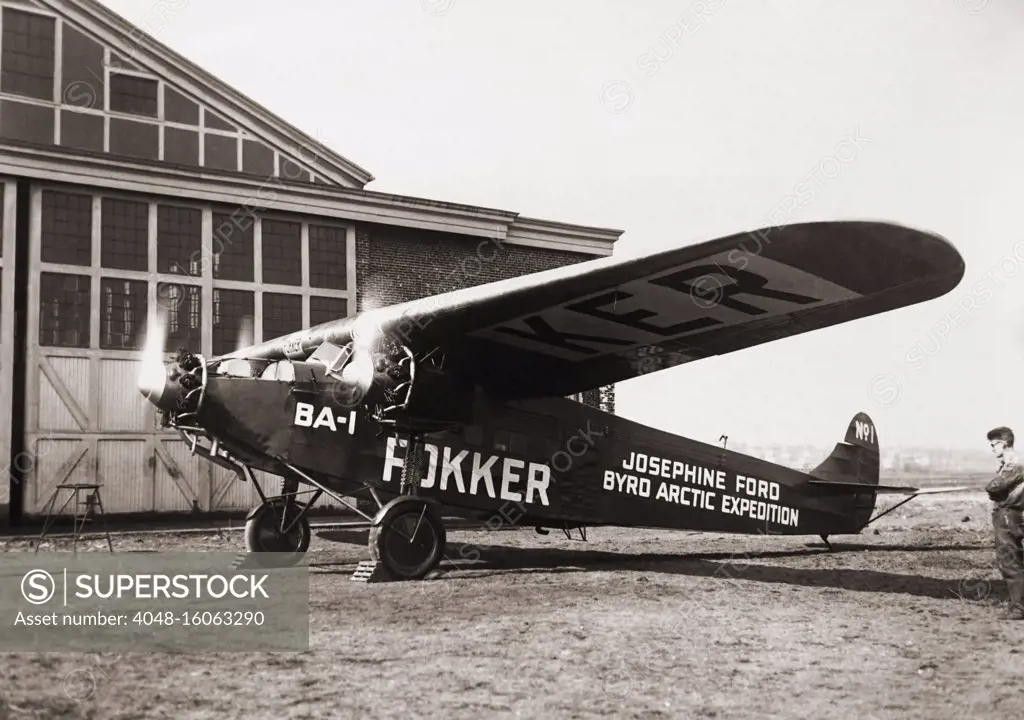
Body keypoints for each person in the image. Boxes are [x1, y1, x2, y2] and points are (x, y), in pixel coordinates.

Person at [985, 426, 1024, 620]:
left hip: (1008, 514)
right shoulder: (1011, 462)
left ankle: (1018, 608)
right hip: (1010, 513)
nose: (992, 449)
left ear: (1003, 443)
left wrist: (992, 489)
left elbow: (996, 485)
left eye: (993, 445)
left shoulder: (1014, 462)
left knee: (1009, 560)